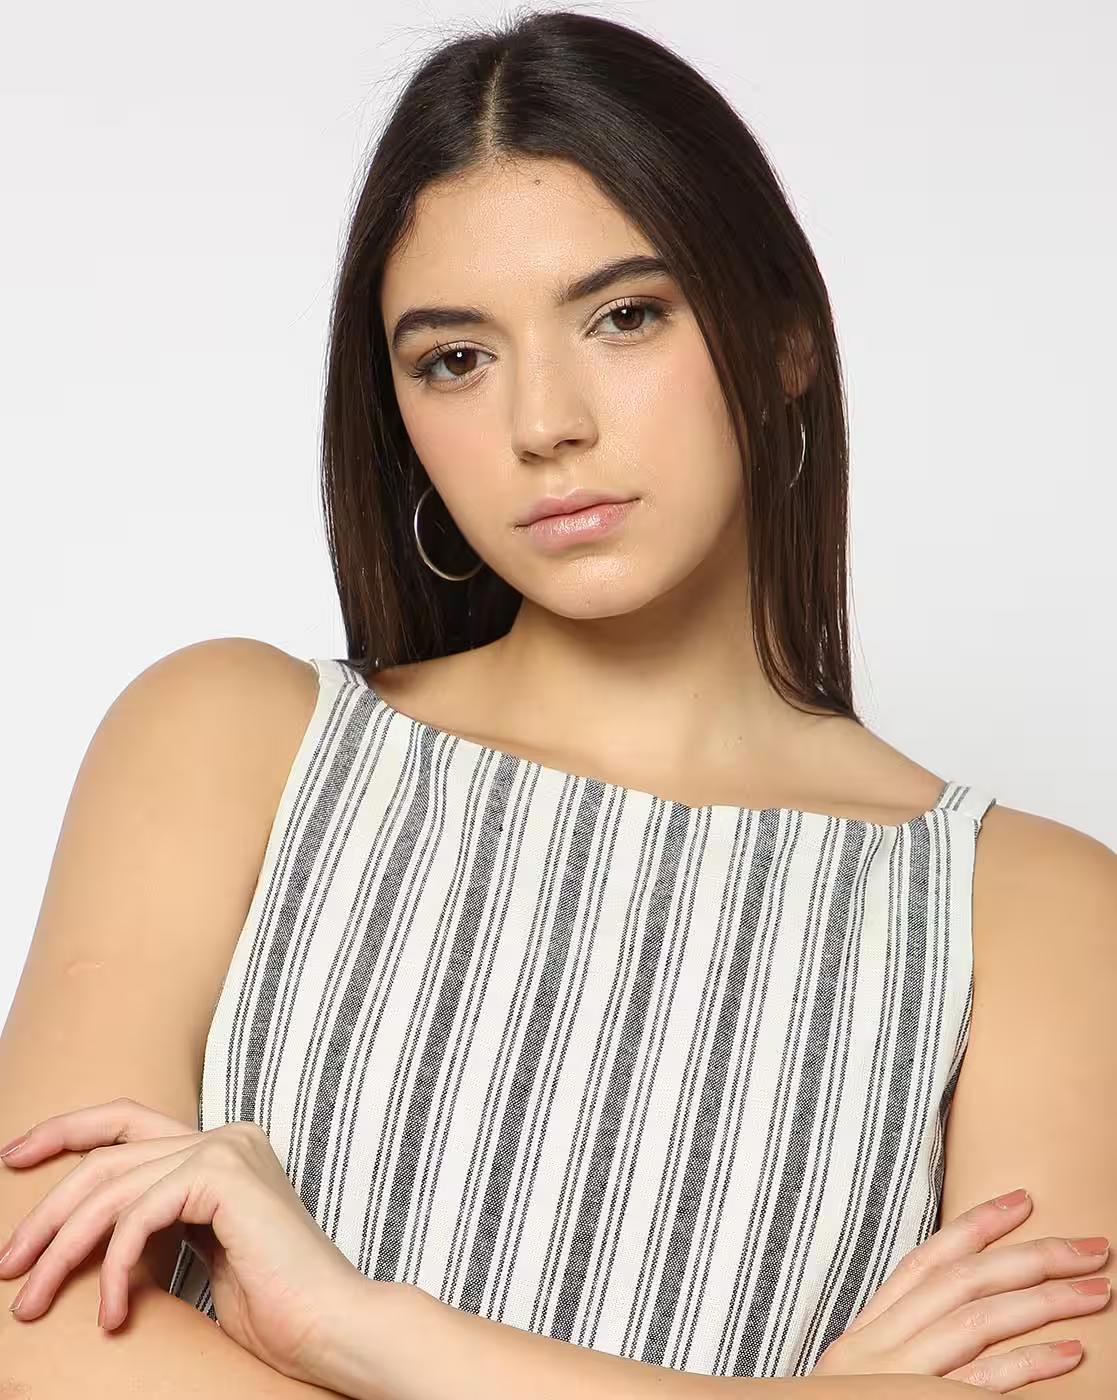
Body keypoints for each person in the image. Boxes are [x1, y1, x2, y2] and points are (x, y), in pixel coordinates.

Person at [3, 9, 1113, 1398]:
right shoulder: (228, 741)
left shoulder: (1033, 912)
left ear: (783, 338)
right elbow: (34, 1334)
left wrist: (359, 1328)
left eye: (625, 316)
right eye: (454, 359)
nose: (544, 424)